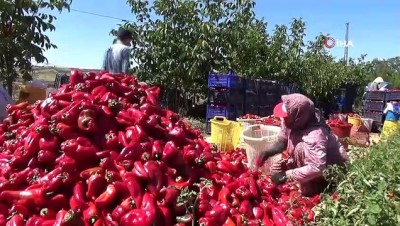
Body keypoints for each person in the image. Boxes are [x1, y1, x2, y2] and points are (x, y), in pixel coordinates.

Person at [256, 93, 349, 196]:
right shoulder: (292, 121)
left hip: (328, 170)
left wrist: (287, 175)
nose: (282, 119)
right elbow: (282, 141)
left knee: (300, 149)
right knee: (275, 169)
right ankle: (304, 180)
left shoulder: (315, 134)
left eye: (286, 116)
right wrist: (267, 152)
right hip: (311, 161)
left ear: (298, 116)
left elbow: (317, 167)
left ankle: (316, 188)